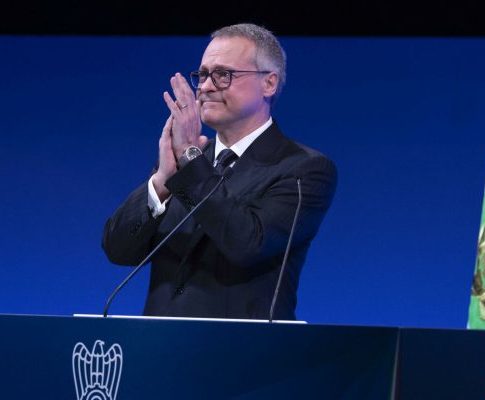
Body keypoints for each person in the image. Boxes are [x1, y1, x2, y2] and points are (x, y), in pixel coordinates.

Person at [102, 23, 337, 320]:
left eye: (223, 75)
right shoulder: (187, 164)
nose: (206, 86)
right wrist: (161, 181)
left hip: (240, 356)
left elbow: (247, 244)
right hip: (161, 354)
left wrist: (189, 157)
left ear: (269, 84)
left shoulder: (303, 169)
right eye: (202, 75)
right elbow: (118, 249)